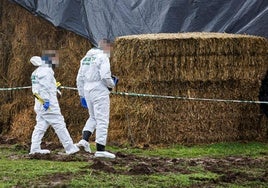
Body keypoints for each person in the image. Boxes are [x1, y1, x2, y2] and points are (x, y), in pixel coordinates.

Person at [76, 39, 118, 158]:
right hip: (99, 90)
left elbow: (79, 79)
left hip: (87, 90)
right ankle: (100, 149)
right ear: (106, 47)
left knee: (93, 117)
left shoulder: (85, 58)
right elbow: (105, 76)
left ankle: (84, 141)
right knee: (102, 119)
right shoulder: (103, 57)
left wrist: (82, 94)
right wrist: (112, 85)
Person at [29, 55, 80, 155]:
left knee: (40, 126)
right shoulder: (46, 71)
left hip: (39, 104)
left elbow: (41, 86)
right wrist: (46, 101)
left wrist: (55, 86)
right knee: (59, 124)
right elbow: (44, 88)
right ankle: (70, 148)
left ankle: (34, 148)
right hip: (48, 104)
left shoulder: (36, 72)